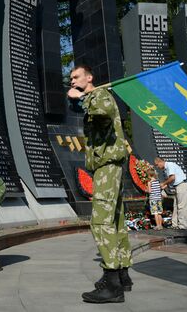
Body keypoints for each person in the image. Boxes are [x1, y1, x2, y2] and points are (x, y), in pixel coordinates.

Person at [67, 64, 132, 303]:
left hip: (107, 166)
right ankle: (123, 276)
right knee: (115, 220)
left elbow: (103, 112)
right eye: (70, 79)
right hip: (109, 166)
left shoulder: (99, 94)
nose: (72, 81)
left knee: (101, 222)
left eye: (76, 77)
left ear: (89, 77)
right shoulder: (93, 98)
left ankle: (112, 284)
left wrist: (82, 96)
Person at [154, 157, 187, 229]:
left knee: (181, 206)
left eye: (157, 165)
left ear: (160, 162)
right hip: (177, 187)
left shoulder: (169, 165)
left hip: (181, 186)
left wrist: (164, 183)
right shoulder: (167, 168)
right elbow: (171, 180)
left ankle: (182, 225)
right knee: (176, 206)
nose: (157, 167)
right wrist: (163, 186)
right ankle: (175, 224)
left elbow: (172, 178)